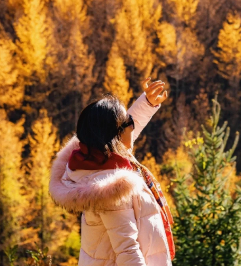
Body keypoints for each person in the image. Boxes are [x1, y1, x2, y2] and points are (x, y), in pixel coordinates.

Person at [49, 78, 174, 266]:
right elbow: (127, 252)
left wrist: (146, 104)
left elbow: (122, 131)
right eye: (129, 123)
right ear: (116, 135)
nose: (133, 126)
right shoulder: (110, 190)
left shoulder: (97, 161)